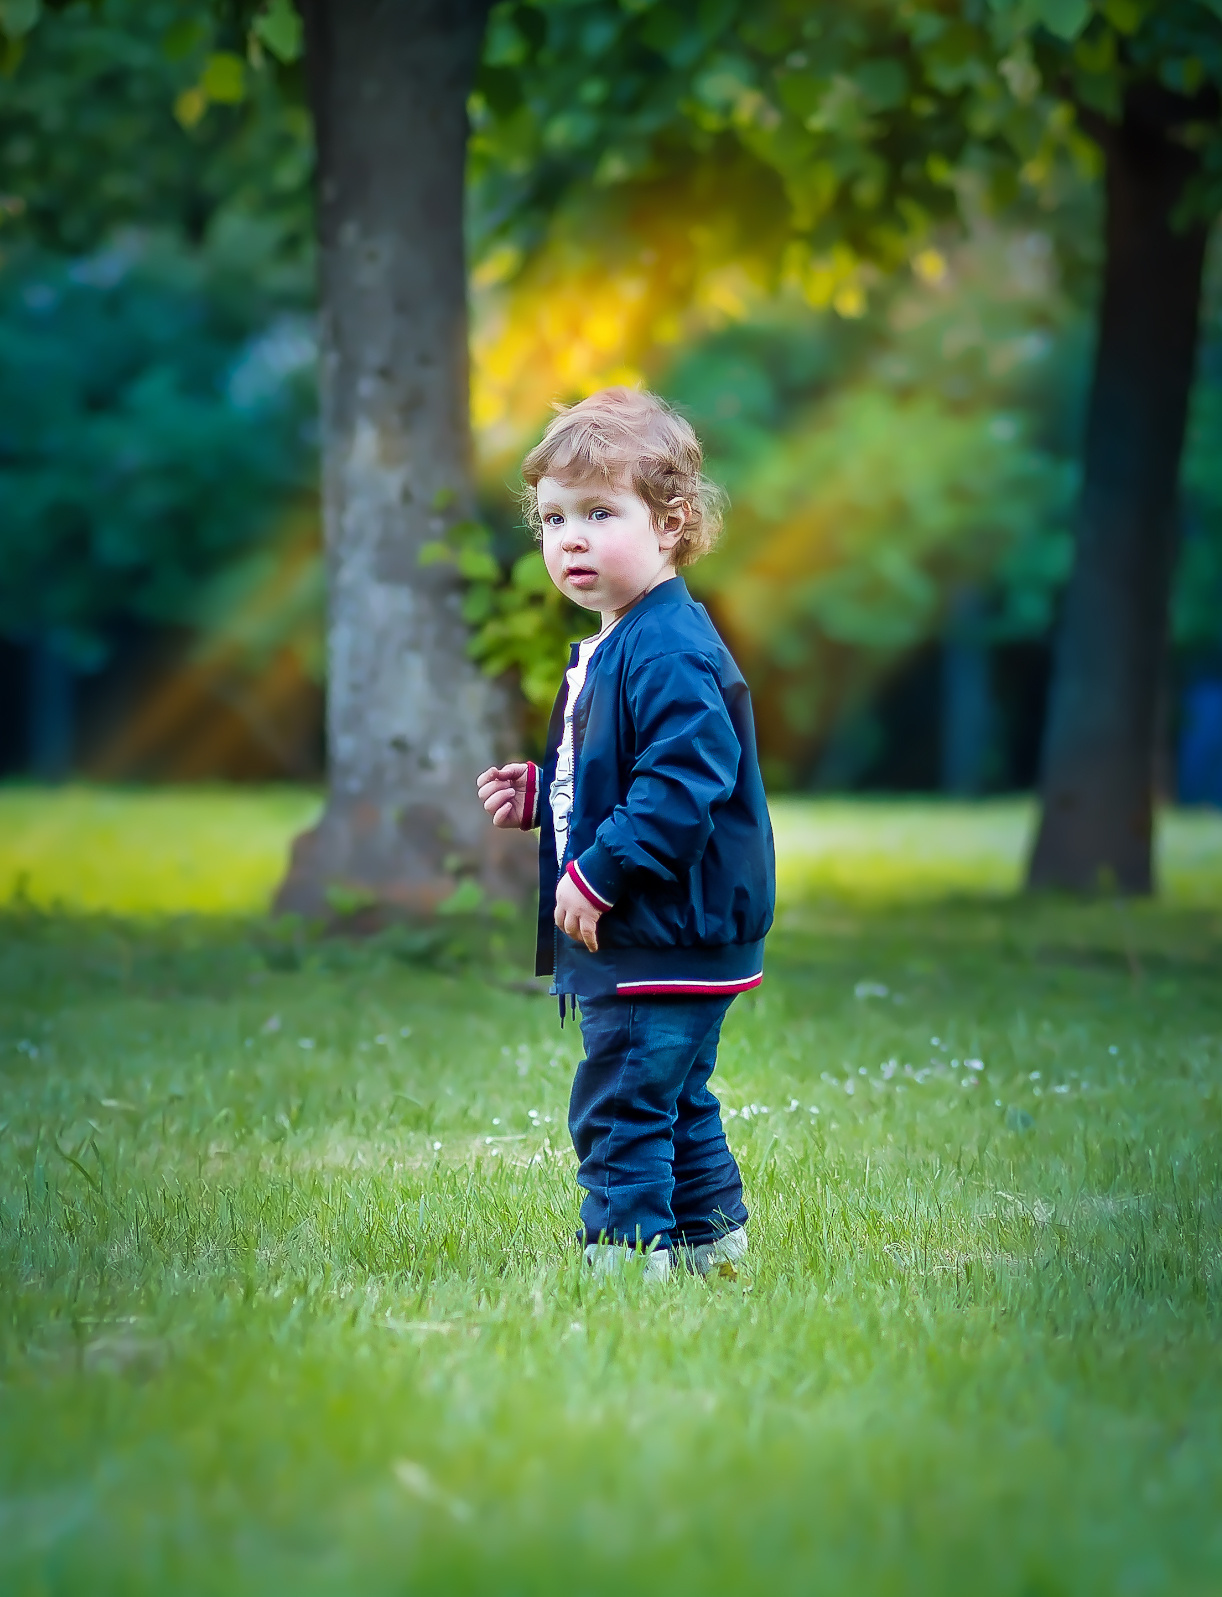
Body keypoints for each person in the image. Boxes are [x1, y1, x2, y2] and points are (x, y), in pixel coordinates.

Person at [476, 387, 775, 1283]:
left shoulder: (669, 646)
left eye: (600, 512)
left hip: (659, 931)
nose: (570, 536)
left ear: (673, 523)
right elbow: (618, 765)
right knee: (673, 1096)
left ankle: (626, 1254)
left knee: (622, 1101)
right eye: (554, 516)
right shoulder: (626, 638)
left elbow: (683, 783)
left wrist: (598, 872)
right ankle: (712, 1244)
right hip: (670, 935)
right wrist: (545, 793)